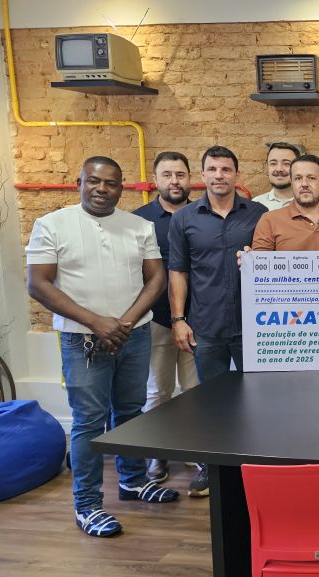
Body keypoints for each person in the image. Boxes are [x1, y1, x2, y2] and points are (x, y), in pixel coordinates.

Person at [26, 156, 179, 537]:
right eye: (93, 181)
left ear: (121, 187)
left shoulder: (139, 226)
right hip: (83, 339)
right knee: (89, 422)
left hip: (134, 333)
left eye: (110, 183)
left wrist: (124, 323)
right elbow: (38, 284)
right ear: (79, 182)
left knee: (131, 411)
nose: (101, 189)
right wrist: (96, 322)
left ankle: (133, 481)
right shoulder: (52, 224)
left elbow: (156, 278)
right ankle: (87, 505)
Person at [168, 146, 267, 496]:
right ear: (203, 175)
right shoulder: (184, 218)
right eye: (212, 169)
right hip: (206, 326)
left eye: (226, 169)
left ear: (237, 175)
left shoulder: (258, 214)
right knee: (212, 404)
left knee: (259, 401)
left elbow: (272, 260)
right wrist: (178, 319)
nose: (219, 175)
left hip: (253, 326)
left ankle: (258, 468)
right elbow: (178, 271)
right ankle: (213, 470)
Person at [132, 151, 200, 484]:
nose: (175, 181)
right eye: (167, 175)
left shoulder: (201, 214)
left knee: (195, 391)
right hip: (156, 319)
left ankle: (194, 450)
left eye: (180, 175)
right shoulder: (138, 221)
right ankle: (156, 454)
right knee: (157, 391)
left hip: (197, 320)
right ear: (156, 180)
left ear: (190, 178)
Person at [251, 154, 319, 251]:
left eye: (311, 178)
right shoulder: (269, 220)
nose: (304, 184)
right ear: (292, 183)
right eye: (298, 178)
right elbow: (260, 259)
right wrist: (248, 258)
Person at [253, 142, 301, 211]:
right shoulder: (256, 204)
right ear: (267, 167)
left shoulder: (310, 203)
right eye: (273, 163)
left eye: (286, 164)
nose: (279, 169)